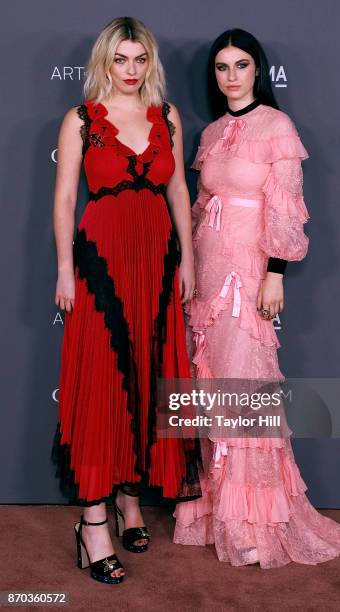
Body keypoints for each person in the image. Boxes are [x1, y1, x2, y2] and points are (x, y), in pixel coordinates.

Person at [173, 28, 340, 568]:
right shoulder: (211, 133)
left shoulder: (277, 127)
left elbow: (285, 207)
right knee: (213, 388)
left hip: (247, 273)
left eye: (240, 65)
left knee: (247, 389)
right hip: (208, 280)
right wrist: (188, 268)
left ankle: (256, 519)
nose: (231, 75)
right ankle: (218, 512)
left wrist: (275, 273)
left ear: (257, 70)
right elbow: (197, 207)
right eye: (221, 67)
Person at [51, 16, 200, 584]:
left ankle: (130, 501)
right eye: (121, 60)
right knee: (100, 383)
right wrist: (65, 268)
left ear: (150, 63)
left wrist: (187, 257)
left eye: (140, 60)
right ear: (105, 62)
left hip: (157, 262)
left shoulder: (168, 117)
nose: (131, 71)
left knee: (146, 376)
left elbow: (178, 188)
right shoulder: (82, 119)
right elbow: (66, 197)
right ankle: (93, 523)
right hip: (100, 264)